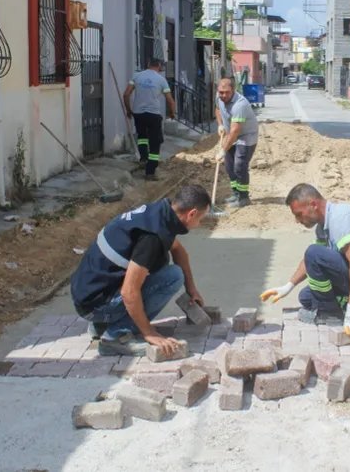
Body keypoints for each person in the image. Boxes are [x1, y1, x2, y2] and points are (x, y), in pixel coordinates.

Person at [71, 185, 211, 356]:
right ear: (191, 214)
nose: (199, 224)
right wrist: (149, 333)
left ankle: (103, 324)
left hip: (90, 291)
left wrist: (191, 289)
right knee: (172, 277)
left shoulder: (161, 212)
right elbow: (129, 292)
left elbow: (178, 250)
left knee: (166, 267)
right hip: (94, 304)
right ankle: (115, 336)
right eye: (201, 218)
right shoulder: (152, 238)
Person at [260, 183, 350, 339]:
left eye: (299, 214)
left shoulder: (339, 219)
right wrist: (288, 286)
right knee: (306, 297)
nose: (297, 220)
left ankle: (331, 314)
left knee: (314, 252)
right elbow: (309, 261)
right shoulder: (325, 224)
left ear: (313, 205)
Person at [124, 58, 176, 181]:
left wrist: (129, 110)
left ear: (148, 64)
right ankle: (150, 172)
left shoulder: (137, 76)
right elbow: (170, 100)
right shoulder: (161, 80)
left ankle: (143, 158)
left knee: (142, 137)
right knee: (155, 142)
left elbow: (126, 94)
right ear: (159, 66)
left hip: (139, 113)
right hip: (154, 114)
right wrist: (173, 113)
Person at [215, 77, 259, 207]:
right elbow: (218, 109)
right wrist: (220, 125)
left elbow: (235, 131)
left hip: (246, 136)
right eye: (221, 92)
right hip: (230, 134)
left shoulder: (240, 104)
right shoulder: (219, 98)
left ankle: (244, 198)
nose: (223, 95)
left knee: (239, 165)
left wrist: (223, 150)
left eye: (227, 92)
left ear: (233, 90)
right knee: (229, 166)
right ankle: (235, 194)